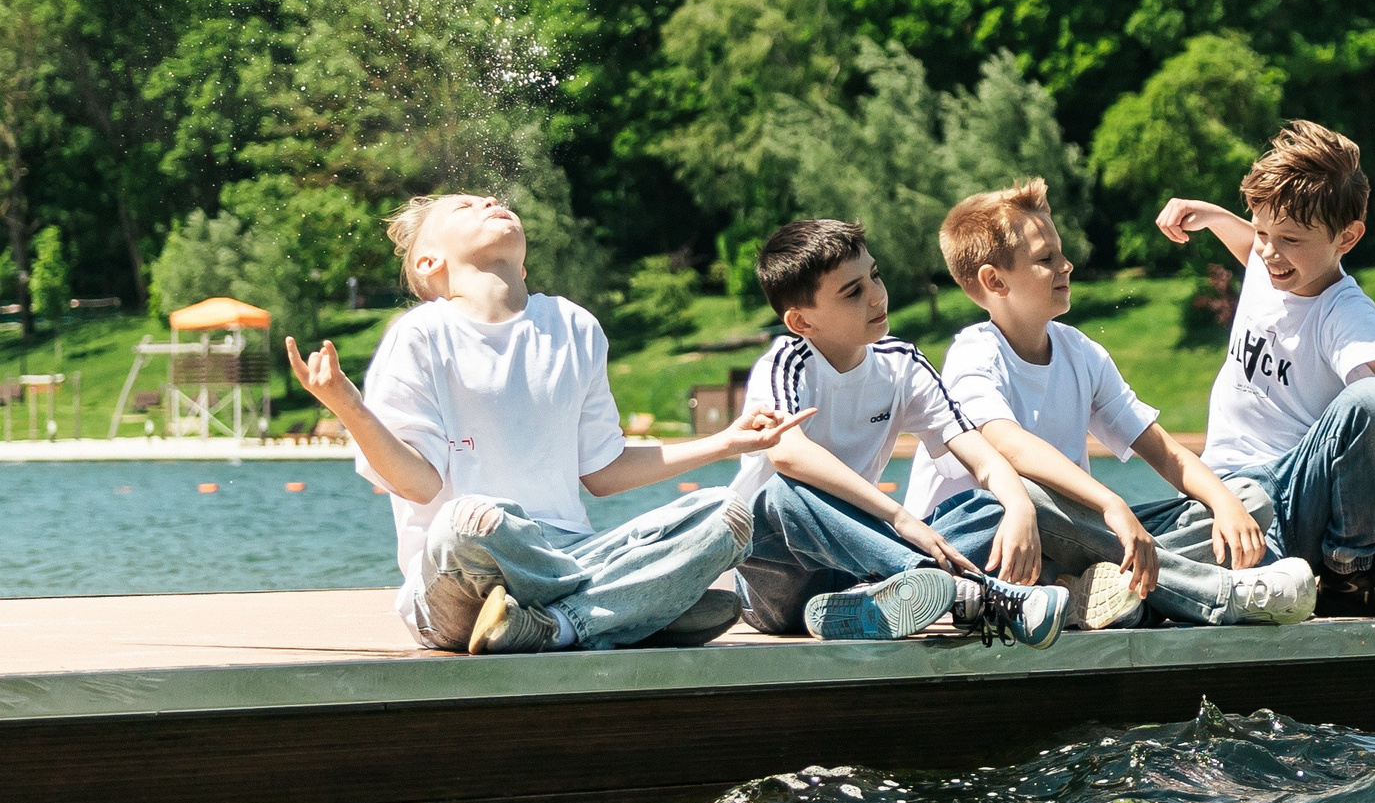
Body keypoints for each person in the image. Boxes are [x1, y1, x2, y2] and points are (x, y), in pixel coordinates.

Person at [285, 193, 807, 655]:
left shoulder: (574, 325)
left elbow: (603, 472)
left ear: (525, 264)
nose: (488, 202)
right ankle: (626, 606)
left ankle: (557, 625)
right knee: (469, 519)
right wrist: (348, 406)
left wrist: (724, 442)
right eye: (464, 207)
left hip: (568, 552)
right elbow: (418, 485)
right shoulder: (420, 334)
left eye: (491, 199)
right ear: (430, 261)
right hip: (465, 573)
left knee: (725, 511)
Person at [905, 179, 1318, 627]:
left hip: (1076, 536)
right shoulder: (973, 354)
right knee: (1022, 494)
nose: (1067, 265)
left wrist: (1223, 502)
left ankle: (1095, 587)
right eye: (1046, 259)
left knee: (1249, 498)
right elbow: (1009, 446)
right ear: (995, 280)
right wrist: (1110, 504)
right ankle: (1216, 594)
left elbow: (1165, 452)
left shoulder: (1080, 352)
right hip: (982, 541)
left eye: (1060, 253)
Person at [1155, 121, 1375, 615]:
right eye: (1262, 232)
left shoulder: (1346, 316)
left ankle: (1352, 574)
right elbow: (1252, 248)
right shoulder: (1270, 261)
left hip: (1289, 502)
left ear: (1347, 237)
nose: (1269, 253)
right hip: (1224, 494)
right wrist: (1211, 215)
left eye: (1290, 241)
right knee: (1138, 534)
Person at [729, 218, 1073, 646]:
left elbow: (980, 454)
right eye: (852, 292)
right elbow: (787, 454)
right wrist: (899, 517)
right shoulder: (786, 363)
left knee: (989, 507)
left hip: (863, 568)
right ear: (801, 322)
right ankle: (967, 591)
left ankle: (866, 604)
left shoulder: (902, 364)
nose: (876, 295)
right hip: (778, 579)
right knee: (782, 494)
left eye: (874, 275)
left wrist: (1020, 505)